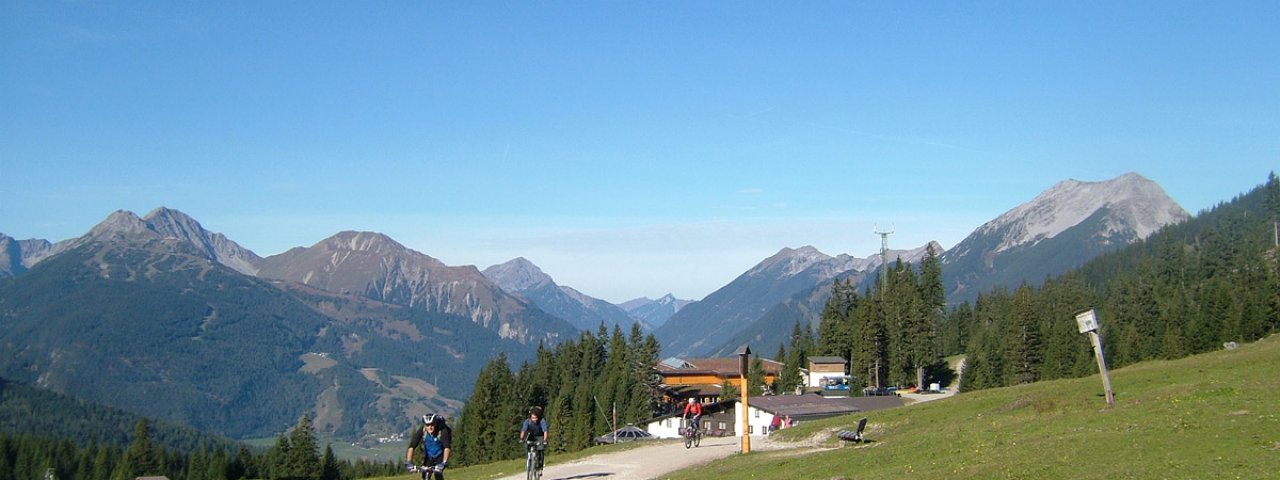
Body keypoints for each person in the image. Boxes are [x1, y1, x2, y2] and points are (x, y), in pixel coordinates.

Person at [406, 413, 452, 480]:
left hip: (440, 456)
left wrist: (444, 462)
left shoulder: (442, 431)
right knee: (425, 474)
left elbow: (447, 447)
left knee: (438, 473)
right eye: (427, 425)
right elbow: (412, 446)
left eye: (432, 425)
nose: (430, 427)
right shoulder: (423, 430)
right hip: (429, 457)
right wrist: (409, 462)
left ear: (435, 424)